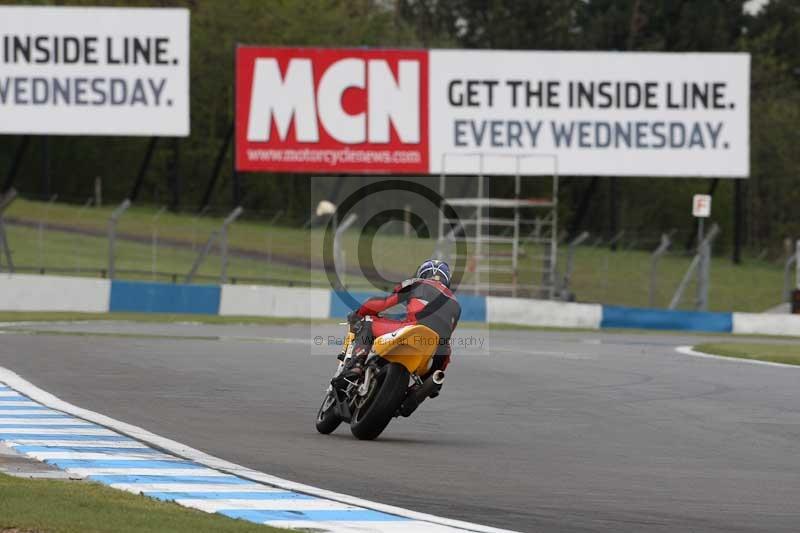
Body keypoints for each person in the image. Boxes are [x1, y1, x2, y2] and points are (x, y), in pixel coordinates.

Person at [343, 259, 461, 381]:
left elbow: (383, 303)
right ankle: (432, 382)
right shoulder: (456, 303)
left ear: (422, 274)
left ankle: (356, 365)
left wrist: (359, 313)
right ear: (447, 280)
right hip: (436, 349)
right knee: (445, 347)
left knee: (367, 322)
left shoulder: (416, 283)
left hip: (413, 329)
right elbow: (448, 333)